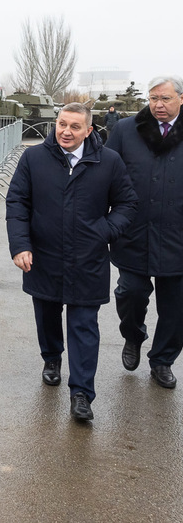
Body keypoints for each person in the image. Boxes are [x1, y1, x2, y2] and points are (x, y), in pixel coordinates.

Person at [7, 102, 137, 421]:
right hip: (44, 256)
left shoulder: (108, 162)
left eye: (74, 126)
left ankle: (81, 393)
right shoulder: (34, 158)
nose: (66, 131)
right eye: (62, 124)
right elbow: (17, 203)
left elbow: (127, 203)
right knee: (47, 315)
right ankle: (52, 358)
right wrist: (21, 245)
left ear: (89, 130)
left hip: (88, 260)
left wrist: (104, 231)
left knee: (83, 326)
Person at [106, 76, 183, 389]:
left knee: (176, 308)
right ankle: (133, 336)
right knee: (130, 293)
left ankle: (162, 360)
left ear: (181, 98)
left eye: (164, 99)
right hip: (133, 232)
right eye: (153, 99)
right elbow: (105, 174)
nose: (158, 105)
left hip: (178, 237)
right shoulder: (126, 130)